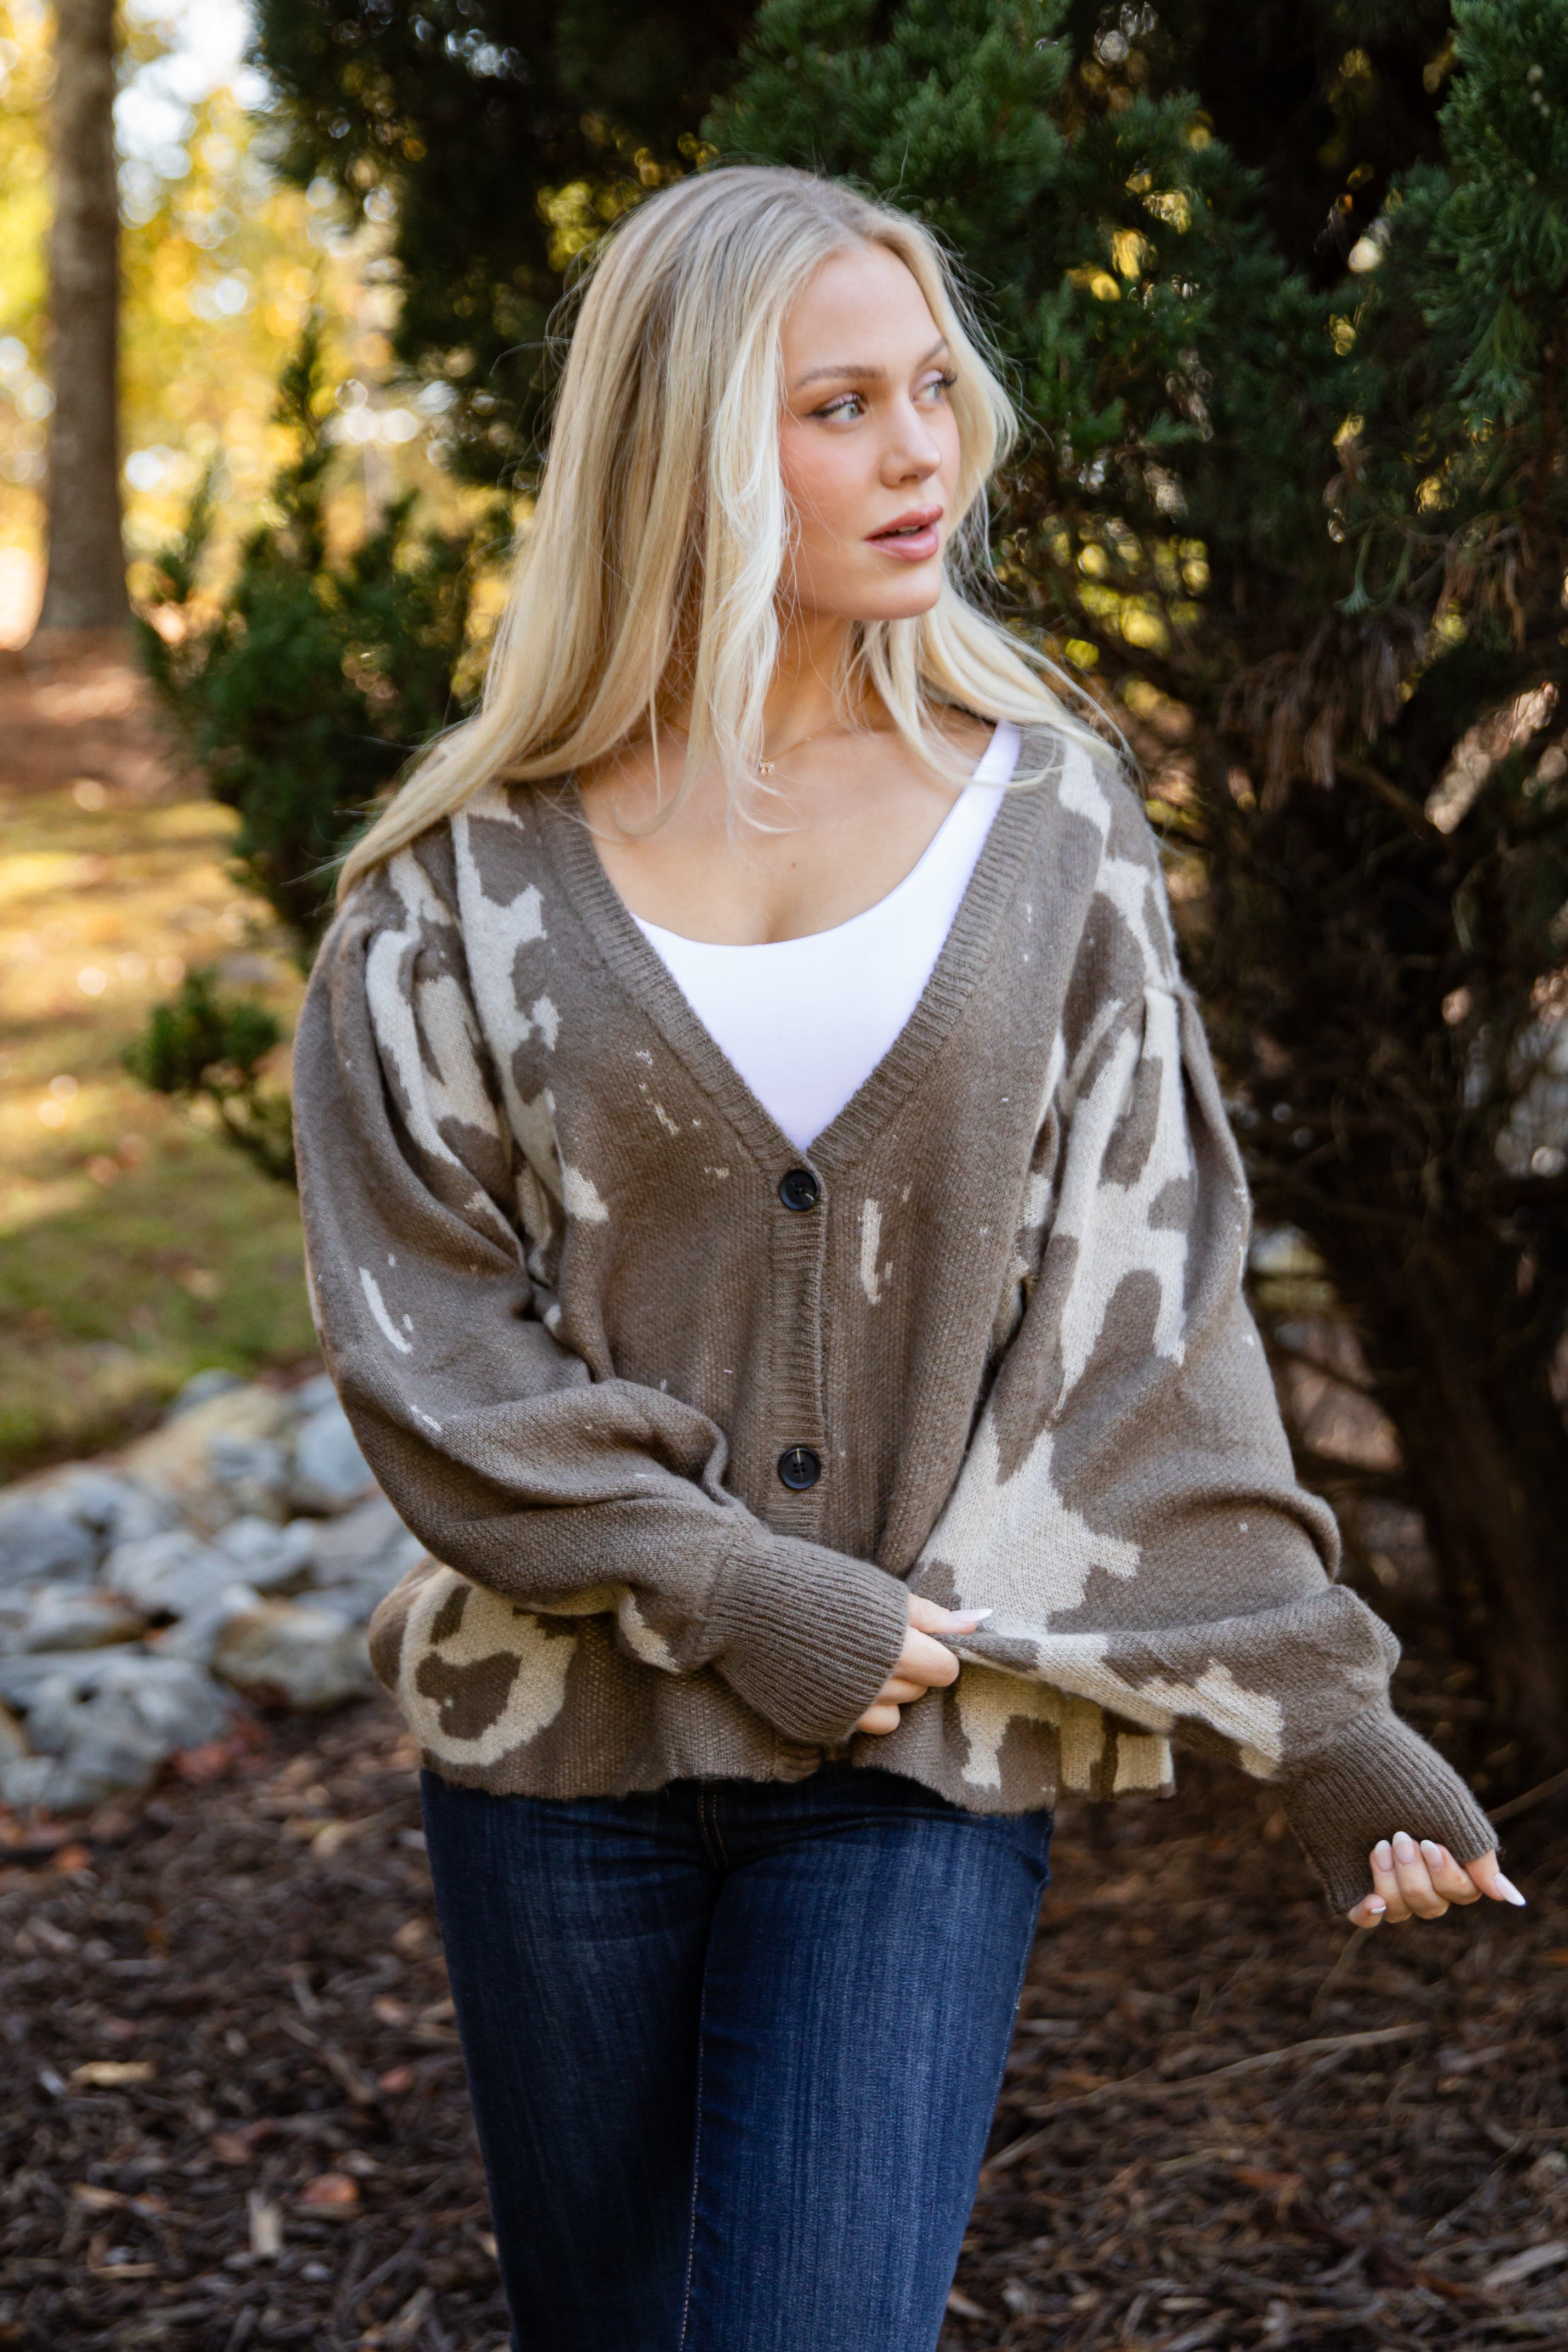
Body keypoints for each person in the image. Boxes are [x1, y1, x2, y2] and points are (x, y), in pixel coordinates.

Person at [292, 166, 1523, 2352]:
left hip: (915, 1769)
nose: (922, 453)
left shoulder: (1047, 824)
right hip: (553, 1770)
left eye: (932, 389)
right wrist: (731, 1585)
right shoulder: (455, 890)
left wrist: (1323, 1714)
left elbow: (1143, 1313)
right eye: (840, 405)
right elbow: (426, 1351)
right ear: (683, 452)